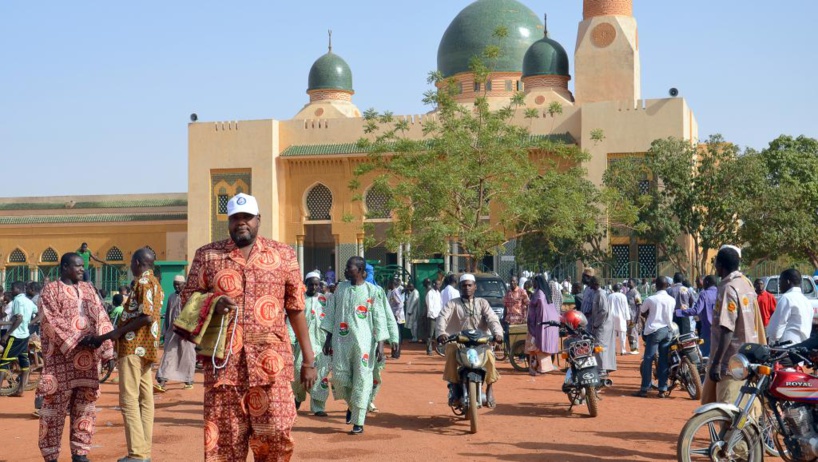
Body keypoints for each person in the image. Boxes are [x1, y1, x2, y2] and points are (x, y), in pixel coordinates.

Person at [172, 193, 317, 459]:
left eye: (247, 217)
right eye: (236, 218)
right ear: (228, 222)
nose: (242, 223)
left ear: (258, 220)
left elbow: (296, 307)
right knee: (224, 444)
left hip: (271, 366)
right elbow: (186, 301)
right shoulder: (208, 256)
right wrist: (212, 303)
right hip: (224, 368)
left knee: (277, 436)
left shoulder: (283, 255)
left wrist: (308, 358)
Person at [81, 248, 163, 462]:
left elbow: (145, 317)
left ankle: (137, 453)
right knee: (145, 400)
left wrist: (114, 333)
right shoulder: (156, 284)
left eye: (131, 262)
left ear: (137, 262)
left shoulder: (143, 283)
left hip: (133, 347)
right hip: (147, 348)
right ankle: (143, 451)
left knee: (129, 400)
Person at [38, 253, 115, 462]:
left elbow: (101, 316)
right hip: (59, 361)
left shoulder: (89, 289)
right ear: (64, 267)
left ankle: (80, 452)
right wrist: (77, 339)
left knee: (85, 407)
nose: (82, 269)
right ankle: (51, 454)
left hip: (88, 361)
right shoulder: (51, 290)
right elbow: (49, 319)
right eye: (77, 266)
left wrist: (107, 350)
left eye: (83, 266)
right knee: (53, 410)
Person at [321, 257, 389, 435]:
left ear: (360, 271)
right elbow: (330, 314)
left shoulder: (372, 291)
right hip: (340, 343)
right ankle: (353, 405)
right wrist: (327, 340)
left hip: (364, 345)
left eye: (349, 267)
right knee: (340, 379)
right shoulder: (340, 289)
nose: (345, 270)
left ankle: (358, 421)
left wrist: (380, 346)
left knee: (362, 380)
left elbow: (380, 319)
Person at [702, 245, 763, 407]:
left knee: (728, 414)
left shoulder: (728, 287)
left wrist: (717, 363)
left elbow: (727, 329)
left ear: (720, 266)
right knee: (747, 412)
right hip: (749, 357)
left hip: (731, 362)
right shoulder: (747, 284)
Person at [437, 274, 504, 407]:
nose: (467, 288)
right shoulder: (453, 304)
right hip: (459, 342)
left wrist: (498, 333)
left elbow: (492, 319)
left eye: (469, 285)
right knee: (450, 351)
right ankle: (455, 387)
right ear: (460, 287)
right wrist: (441, 333)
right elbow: (442, 318)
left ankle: (490, 388)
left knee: (490, 355)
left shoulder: (482, 303)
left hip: (480, 342)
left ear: (475, 287)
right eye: (464, 285)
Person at [291, 272, 331, 416]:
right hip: (302, 343)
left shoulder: (325, 300)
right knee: (297, 370)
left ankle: (318, 407)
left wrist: (329, 340)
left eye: (316, 284)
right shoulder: (300, 299)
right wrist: (291, 340)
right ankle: (297, 397)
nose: (314, 287)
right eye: (311, 284)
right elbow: (291, 321)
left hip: (321, 344)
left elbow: (330, 320)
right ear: (305, 284)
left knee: (321, 374)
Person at [632, 277, 674, 398]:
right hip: (667, 330)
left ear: (656, 286)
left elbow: (643, 311)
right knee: (663, 360)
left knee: (648, 359)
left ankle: (645, 388)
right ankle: (662, 388)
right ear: (667, 286)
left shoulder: (651, 299)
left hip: (654, 330)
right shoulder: (671, 300)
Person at [154, 275, 196, 392]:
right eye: (175, 284)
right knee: (169, 354)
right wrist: (165, 331)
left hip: (187, 333)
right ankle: (162, 381)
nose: (177, 286)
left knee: (187, 356)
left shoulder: (190, 297)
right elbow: (168, 314)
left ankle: (188, 380)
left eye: (179, 284)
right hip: (173, 331)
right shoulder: (172, 297)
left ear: (184, 284)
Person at [0, 281, 39, 397]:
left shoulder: (17, 300)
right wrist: (29, 323)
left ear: (17, 288)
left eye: (12, 288)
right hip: (25, 336)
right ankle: (20, 390)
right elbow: (40, 314)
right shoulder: (29, 301)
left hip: (15, 336)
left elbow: (19, 319)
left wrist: (7, 335)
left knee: (3, 363)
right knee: (24, 364)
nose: (11, 291)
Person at [766, 269, 812, 345]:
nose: (779, 284)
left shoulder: (786, 298)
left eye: (780, 281)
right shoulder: (806, 301)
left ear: (788, 281)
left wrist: (771, 341)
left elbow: (776, 326)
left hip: (787, 347)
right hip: (803, 346)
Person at [526, 275, 559, 374]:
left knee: (534, 346)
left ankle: (535, 367)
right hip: (545, 323)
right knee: (539, 346)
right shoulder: (545, 293)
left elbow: (538, 308)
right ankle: (540, 367)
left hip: (537, 323)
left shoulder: (539, 294)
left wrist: (535, 322)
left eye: (534, 282)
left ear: (538, 283)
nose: (533, 284)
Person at [678, 275, 718, 356]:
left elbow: (696, 310)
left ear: (706, 282)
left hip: (708, 329)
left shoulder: (704, 294)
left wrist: (680, 312)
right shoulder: (721, 292)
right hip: (721, 329)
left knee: (705, 354)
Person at [588, 277, 616, 375]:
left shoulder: (601, 294)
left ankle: (602, 369)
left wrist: (596, 324)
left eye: (591, 283)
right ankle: (603, 367)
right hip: (601, 324)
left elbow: (604, 311)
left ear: (594, 283)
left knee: (600, 345)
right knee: (600, 345)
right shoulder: (597, 294)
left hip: (603, 324)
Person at [503, 276, 529, 346]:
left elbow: (528, 304)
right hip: (510, 320)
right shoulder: (508, 293)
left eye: (514, 281)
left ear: (517, 282)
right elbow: (505, 306)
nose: (512, 282)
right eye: (511, 281)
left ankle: (521, 354)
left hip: (520, 320)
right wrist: (503, 318)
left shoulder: (522, 292)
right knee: (507, 336)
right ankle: (510, 352)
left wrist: (526, 317)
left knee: (521, 338)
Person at [608, 284, 630, 355]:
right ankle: (622, 350)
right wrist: (628, 318)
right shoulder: (623, 296)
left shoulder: (610, 296)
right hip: (621, 317)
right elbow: (626, 307)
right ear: (620, 289)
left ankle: (613, 350)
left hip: (611, 316)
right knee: (622, 334)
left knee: (612, 335)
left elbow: (607, 307)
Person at [387, 280, 405, 359]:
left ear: (391, 284)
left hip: (396, 317)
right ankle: (394, 353)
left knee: (396, 335)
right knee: (395, 334)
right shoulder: (392, 292)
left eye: (388, 283)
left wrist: (395, 314)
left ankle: (396, 354)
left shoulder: (394, 292)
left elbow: (400, 303)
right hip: (396, 317)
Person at [424, 279, 442, 355]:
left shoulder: (438, 293)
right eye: (437, 284)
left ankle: (439, 349)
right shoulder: (430, 293)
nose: (439, 286)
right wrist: (432, 315)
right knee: (430, 334)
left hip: (438, 316)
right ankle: (429, 350)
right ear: (434, 284)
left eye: (439, 284)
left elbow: (440, 304)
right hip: (432, 316)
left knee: (438, 334)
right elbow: (429, 305)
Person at [625, 279, 642, 354]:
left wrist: (638, 317)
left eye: (630, 282)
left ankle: (636, 348)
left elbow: (639, 305)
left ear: (634, 283)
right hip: (629, 317)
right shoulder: (628, 292)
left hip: (634, 316)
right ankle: (632, 349)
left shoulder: (636, 293)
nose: (628, 283)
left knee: (633, 333)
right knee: (629, 333)